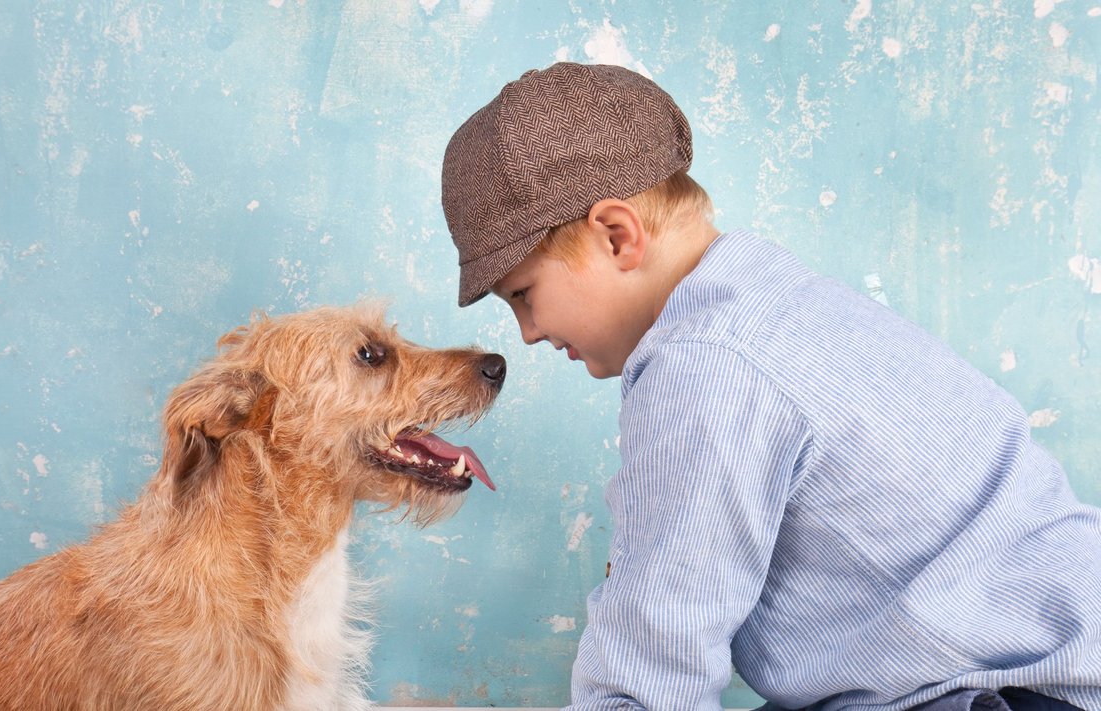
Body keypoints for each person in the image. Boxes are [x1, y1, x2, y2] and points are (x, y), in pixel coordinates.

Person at [439, 61, 1101, 711]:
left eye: (524, 294)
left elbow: (654, 665)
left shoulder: (703, 367)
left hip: (1014, 691)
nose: (526, 331)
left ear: (617, 236)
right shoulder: (776, 306)